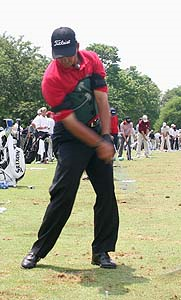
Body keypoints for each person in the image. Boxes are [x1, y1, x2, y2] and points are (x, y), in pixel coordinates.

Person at [21, 27, 119, 269]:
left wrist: (106, 136)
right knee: (63, 193)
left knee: (106, 193)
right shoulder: (51, 80)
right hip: (70, 137)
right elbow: (71, 123)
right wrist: (98, 143)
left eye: (68, 52)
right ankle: (38, 250)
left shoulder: (92, 59)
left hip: (97, 129)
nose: (65, 59)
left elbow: (102, 99)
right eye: (59, 55)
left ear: (77, 45)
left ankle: (102, 252)